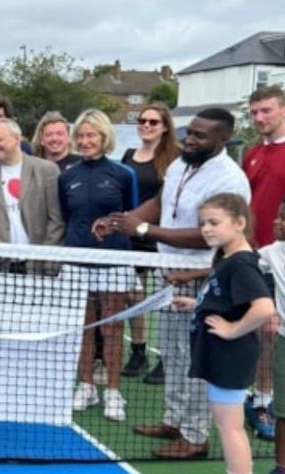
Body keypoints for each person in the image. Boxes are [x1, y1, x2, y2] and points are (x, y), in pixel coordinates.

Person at [96, 107, 252, 459]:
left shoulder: (230, 178)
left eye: (200, 135)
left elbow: (210, 235)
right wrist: (125, 219)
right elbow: (158, 202)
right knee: (173, 353)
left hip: (202, 276)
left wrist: (145, 231)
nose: (190, 139)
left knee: (195, 358)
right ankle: (175, 420)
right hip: (167, 269)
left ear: (222, 139)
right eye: (189, 132)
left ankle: (196, 436)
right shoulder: (181, 164)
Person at [172, 193, 273, 474]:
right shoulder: (227, 259)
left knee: (230, 429)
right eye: (203, 223)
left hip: (230, 356)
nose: (206, 229)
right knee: (227, 426)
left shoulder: (242, 262)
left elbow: (263, 308)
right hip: (221, 356)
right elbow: (228, 299)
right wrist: (197, 306)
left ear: (240, 223)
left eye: (214, 222)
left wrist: (232, 330)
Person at [59, 109, 138, 422]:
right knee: (83, 328)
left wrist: (111, 224)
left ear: (104, 137)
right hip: (77, 259)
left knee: (112, 327)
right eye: (80, 136)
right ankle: (87, 385)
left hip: (115, 260)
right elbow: (68, 215)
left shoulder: (122, 174)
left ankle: (114, 393)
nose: (85, 141)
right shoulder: (67, 176)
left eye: (91, 135)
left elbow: (131, 216)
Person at [243, 86, 285, 440]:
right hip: (254, 255)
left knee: (272, 331)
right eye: (255, 112)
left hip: (284, 260)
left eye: (267, 111)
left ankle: (264, 399)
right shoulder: (252, 154)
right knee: (257, 329)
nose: (260, 118)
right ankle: (257, 394)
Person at [120, 103, 181, 383]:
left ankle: (168, 359)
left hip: (164, 238)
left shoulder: (176, 159)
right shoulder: (129, 155)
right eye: (142, 121)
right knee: (134, 295)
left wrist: (149, 226)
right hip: (133, 238)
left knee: (168, 298)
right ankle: (138, 350)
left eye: (153, 122)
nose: (146, 125)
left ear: (165, 126)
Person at [0, 119, 63, 246]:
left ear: (17, 138)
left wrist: (42, 255)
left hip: (40, 260)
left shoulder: (47, 171)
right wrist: (3, 253)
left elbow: (57, 220)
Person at [259, 193, 285, 474]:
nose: (276, 221)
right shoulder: (271, 253)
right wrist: (190, 274)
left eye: (284, 218)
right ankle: (283, 471)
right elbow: (238, 264)